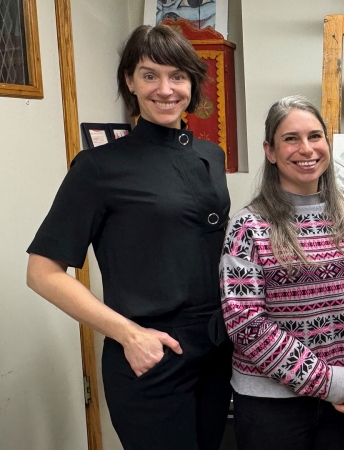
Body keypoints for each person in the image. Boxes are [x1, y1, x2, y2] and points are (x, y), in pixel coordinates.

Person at [26, 25, 232, 450]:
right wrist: (128, 335)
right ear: (129, 81)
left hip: (215, 352)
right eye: (149, 74)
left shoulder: (210, 155)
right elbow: (42, 273)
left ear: (192, 83)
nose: (165, 89)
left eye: (177, 76)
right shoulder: (98, 167)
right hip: (150, 354)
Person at [220, 95, 344, 450]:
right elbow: (246, 324)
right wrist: (326, 380)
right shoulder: (248, 227)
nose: (306, 149)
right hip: (271, 407)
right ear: (270, 151)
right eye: (291, 139)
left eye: (315, 136)